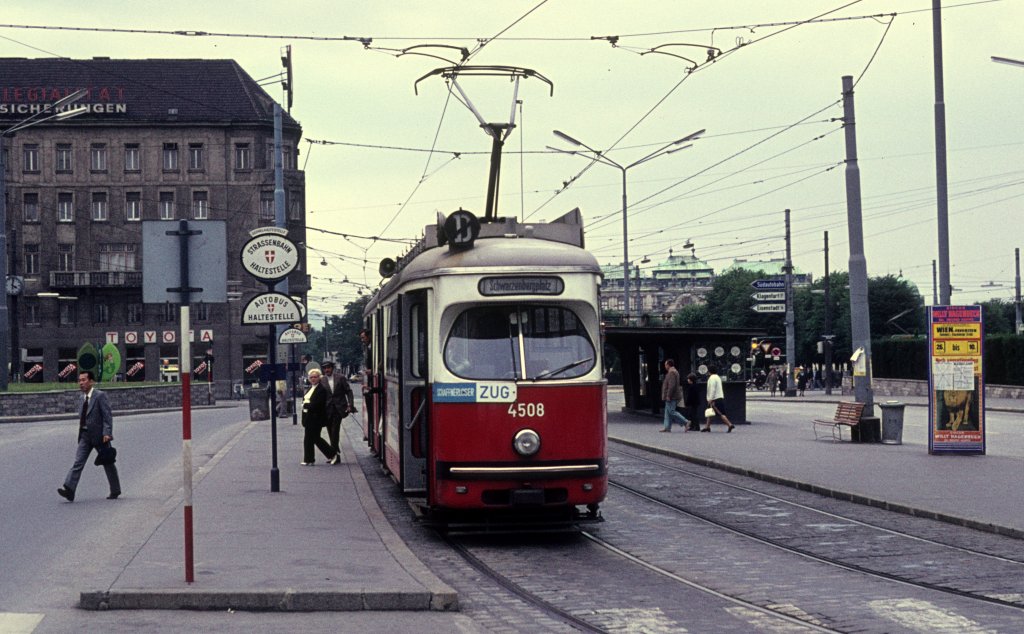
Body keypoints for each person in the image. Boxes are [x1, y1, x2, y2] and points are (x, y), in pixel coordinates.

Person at [58, 370, 122, 502]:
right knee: (78, 462)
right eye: (79, 380)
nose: (81, 383)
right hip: (85, 436)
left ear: (91, 381)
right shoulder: (81, 398)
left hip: (100, 436)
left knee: (108, 463)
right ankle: (69, 489)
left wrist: (107, 433)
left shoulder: (100, 396)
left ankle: (115, 490)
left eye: (84, 380)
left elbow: (107, 416)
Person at [301, 368, 339, 465]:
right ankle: (309, 460)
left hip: (316, 417)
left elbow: (318, 404)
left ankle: (332, 454)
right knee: (308, 439)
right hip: (308, 417)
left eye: (315, 377)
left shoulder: (321, 389)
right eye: (311, 377)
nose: (313, 379)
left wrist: (306, 405)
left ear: (319, 378)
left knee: (315, 438)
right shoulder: (311, 388)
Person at [321, 361, 355, 458]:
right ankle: (336, 451)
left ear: (332, 368)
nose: (327, 370)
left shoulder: (340, 378)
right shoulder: (322, 380)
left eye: (328, 368)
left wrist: (350, 405)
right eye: (325, 368)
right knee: (330, 431)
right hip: (327, 409)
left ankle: (334, 454)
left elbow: (348, 391)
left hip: (339, 408)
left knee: (335, 431)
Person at [659, 359, 689, 432]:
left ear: (668, 365)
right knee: (667, 412)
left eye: (665, 365)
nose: (665, 366)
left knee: (671, 411)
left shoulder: (672, 372)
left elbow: (671, 385)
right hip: (672, 395)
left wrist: (668, 395)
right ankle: (667, 427)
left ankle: (685, 422)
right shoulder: (673, 372)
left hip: (672, 396)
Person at [702, 365, 735, 433]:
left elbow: (712, 389)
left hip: (715, 399)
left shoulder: (712, 378)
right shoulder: (717, 377)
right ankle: (707, 427)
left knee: (720, 413)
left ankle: (729, 424)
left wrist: (711, 399)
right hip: (718, 397)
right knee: (710, 413)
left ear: (709, 371)